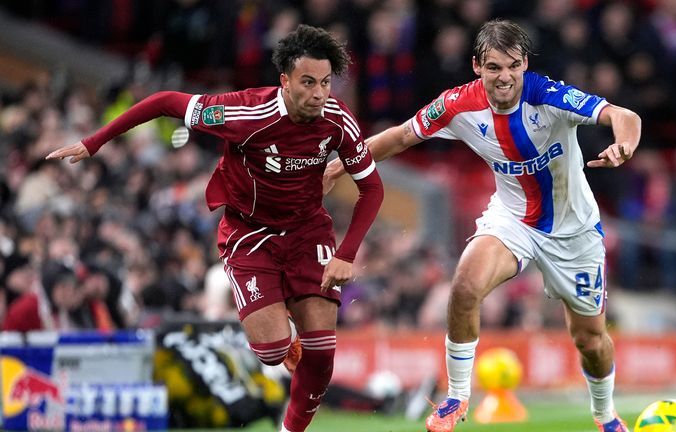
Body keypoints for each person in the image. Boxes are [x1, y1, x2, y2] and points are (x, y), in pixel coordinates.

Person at [47, 24, 384, 432]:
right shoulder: (246, 113)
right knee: (274, 351)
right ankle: (285, 342)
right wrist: (95, 141)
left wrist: (346, 254)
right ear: (285, 80)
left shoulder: (337, 119)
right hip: (249, 235)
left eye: (326, 83)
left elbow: (372, 188)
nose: (319, 93)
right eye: (308, 82)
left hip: (307, 232)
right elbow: (165, 101)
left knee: (323, 353)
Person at [325, 19, 640, 432]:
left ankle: (606, 416)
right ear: (477, 66)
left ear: (525, 63)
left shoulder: (549, 95)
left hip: (575, 234)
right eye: (494, 67)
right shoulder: (457, 104)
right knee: (465, 285)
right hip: (512, 220)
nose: (504, 76)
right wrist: (340, 164)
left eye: (512, 65)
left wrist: (624, 145)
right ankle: (456, 396)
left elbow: (623, 114)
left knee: (590, 340)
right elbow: (401, 137)